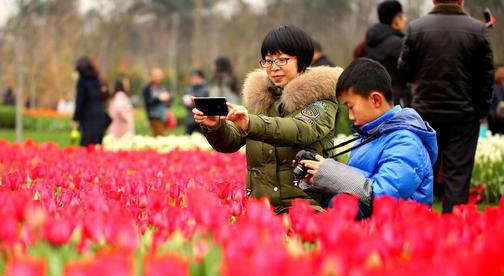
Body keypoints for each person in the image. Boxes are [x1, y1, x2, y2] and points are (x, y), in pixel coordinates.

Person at [194, 25, 342, 214]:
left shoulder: (321, 99)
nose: (274, 68)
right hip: (262, 209)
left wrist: (251, 123)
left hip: (305, 208)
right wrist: (216, 126)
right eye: (268, 61)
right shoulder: (262, 99)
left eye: (282, 60)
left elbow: (300, 129)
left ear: (302, 59)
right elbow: (232, 141)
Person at [297, 58, 437, 219]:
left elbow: (384, 197)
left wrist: (330, 172)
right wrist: (318, 181)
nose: (350, 116)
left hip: (400, 235)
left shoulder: (407, 142)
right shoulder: (369, 135)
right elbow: (353, 192)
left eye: (351, 107)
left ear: (375, 99)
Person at [398, 0, 494, 213]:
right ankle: (454, 227)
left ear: (433, 1)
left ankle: (418, 223)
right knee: (458, 176)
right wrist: (479, 111)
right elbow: (486, 78)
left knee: (422, 171)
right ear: (461, 1)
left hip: (425, 114)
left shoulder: (416, 28)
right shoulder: (477, 30)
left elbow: (404, 72)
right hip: (464, 115)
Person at [365, 0, 410, 106]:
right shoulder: (398, 43)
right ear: (397, 19)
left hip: (376, 98)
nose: (405, 20)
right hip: (397, 99)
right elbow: (408, 72)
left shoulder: (371, 41)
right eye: (402, 17)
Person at [73, 56, 110, 146]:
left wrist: (76, 118)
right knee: (97, 143)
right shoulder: (97, 79)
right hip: (100, 114)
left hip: (88, 116)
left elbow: (80, 101)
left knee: (87, 143)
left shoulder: (82, 81)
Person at [143, 68, 171, 137]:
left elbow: (169, 100)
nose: (158, 78)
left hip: (164, 117)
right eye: (156, 76)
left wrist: (168, 98)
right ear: (151, 77)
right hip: (154, 117)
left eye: (159, 75)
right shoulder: (148, 88)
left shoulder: (162, 87)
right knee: (160, 137)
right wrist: (159, 99)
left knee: (159, 136)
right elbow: (148, 101)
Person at [183, 69, 209, 135]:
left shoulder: (206, 89)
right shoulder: (188, 89)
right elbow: (185, 102)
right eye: (193, 78)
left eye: (197, 78)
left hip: (202, 118)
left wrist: (196, 101)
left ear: (201, 78)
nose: (195, 80)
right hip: (190, 118)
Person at [487, 64, 504, 135]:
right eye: (501, 72)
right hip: (493, 116)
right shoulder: (491, 86)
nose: (502, 74)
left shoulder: (502, 86)